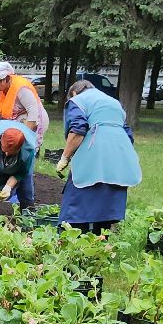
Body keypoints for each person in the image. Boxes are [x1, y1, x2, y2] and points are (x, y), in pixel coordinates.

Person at [53, 79, 142, 232]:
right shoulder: (113, 103)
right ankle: (99, 247)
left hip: (92, 156)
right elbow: (127, 134)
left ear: (73, 93)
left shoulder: (78, 100)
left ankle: (73, 247)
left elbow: (77, 130)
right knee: (105, 213)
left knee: (74, 210)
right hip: (119, 158)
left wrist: (65, 157)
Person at [0, 61, 49, 136]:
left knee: (21, 144)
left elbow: (33, 111)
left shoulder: (21, 88)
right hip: (15, 121)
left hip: (34, 121)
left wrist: (26, 135)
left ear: (6, 79)